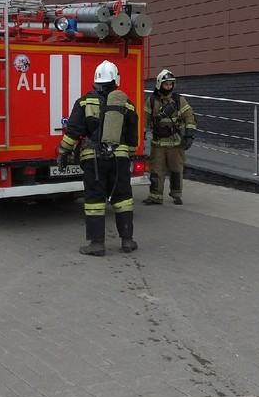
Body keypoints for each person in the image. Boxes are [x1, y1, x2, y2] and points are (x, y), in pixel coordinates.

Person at [56, 60, 139, 256]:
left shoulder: (84, 102)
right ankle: (127, 240)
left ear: (96, 81)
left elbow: (74, 132)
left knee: (94, 201)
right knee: (123, 199)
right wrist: (130, 155)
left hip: (93, 160)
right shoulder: (127, 104)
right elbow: (133, 136)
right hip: (119, 159)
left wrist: (63, 151)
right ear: (115, 80)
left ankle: (97, 244)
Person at [143, 70, 197, 205]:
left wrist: (189, 134)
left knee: (176, 170)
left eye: (170, 84)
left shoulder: (179, 100)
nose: (168, 87)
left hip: (175, 142)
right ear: (159, 84)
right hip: (158, 143)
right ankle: (155, 196)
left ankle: (176, 194)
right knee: (156, 170)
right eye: (166, 84)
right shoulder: (151, 101)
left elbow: (189, 116)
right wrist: (140, 135)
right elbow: (144, 119)